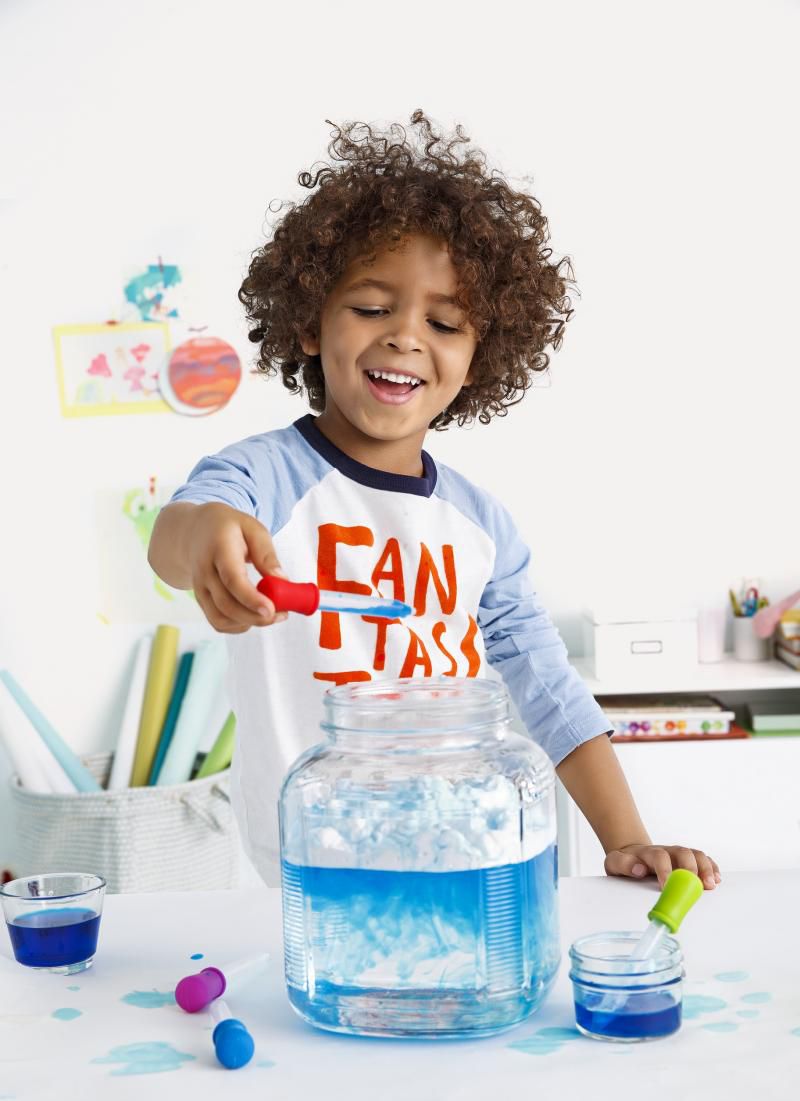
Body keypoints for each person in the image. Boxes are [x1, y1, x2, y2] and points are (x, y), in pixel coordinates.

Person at [149, 110, 720, 892]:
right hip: (319, 869)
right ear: (311, 323)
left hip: (461, 856)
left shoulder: (482, 526)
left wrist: (627, 840)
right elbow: (177, 535)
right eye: (372, 308)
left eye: (445, 321)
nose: (406, 337)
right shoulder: (266, 479)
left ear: (479, 355)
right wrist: (209, 534)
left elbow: (548, 690)